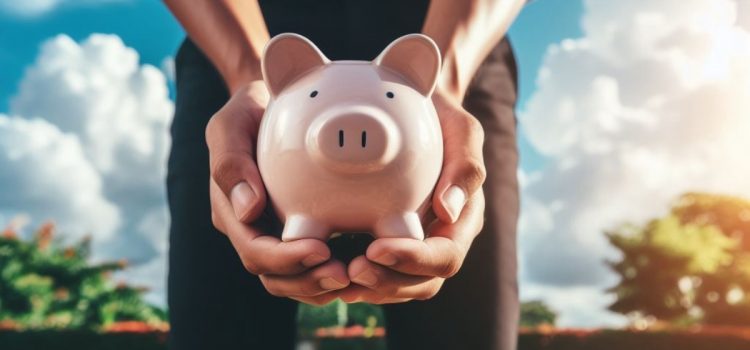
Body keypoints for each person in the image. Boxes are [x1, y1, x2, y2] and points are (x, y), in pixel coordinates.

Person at [164, 1, 525, 349]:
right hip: (235, 33)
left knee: (467, 316)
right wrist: (250, 74)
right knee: (219, 318)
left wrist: (444, 80)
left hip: (457, 34)